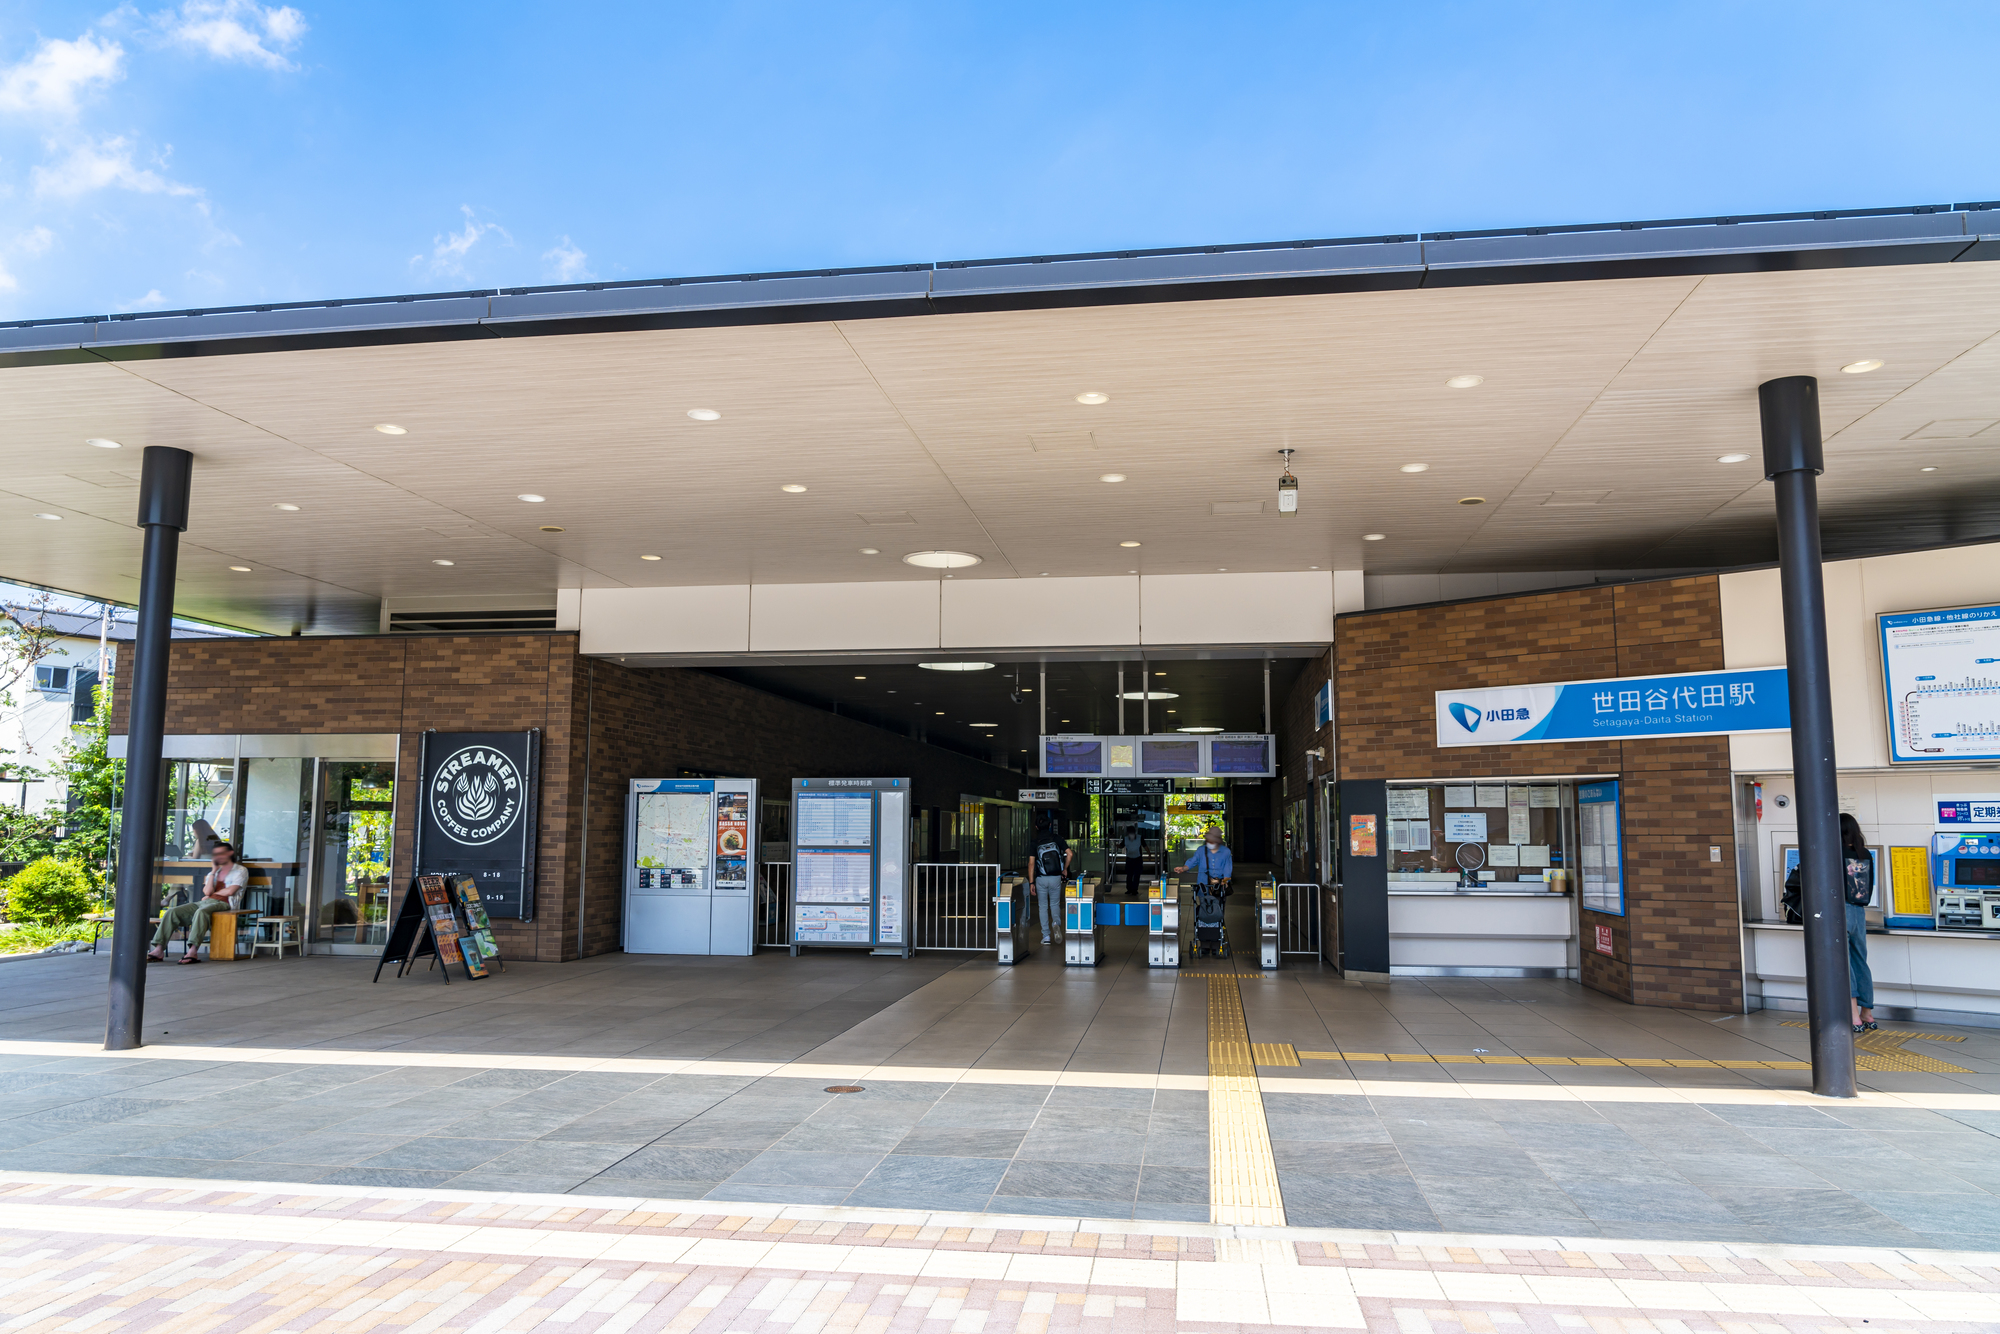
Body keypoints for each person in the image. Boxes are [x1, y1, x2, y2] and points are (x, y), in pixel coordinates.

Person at [149, 840, 248, 964]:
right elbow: (207, 891)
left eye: (221, 853)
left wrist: (212, 895)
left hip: (225, 904)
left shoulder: (240, 870)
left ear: (230, 853)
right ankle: (158, 950)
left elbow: (230, 891)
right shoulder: (214, 872)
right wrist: (213, 872)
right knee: (172, 912)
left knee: (201, 912)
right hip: (206, 902)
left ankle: (193, 951)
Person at [1841, 813, 1877, 1033]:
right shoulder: (1864, 854)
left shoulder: (1834, 852)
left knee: (1844, 963)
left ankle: (1853, 1015)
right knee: (1860, 961)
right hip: (1859, 911)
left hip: (1840, 911)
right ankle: (1867, 1012)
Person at [1030, 814, 1073, 947]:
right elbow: (1070, 854)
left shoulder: (1035, 842)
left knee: (1043, 906)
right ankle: (1056, 923)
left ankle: (1046, 936)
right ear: (1049, 825)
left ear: (1036, 827)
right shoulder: (1057, 839)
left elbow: (1031, 864)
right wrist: (1064, 869)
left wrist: (1031, 882)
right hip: (1055, 877)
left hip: (1041, 878)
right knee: (1055, 904)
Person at [1121, 824, 1143, 897]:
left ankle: (1131, 889)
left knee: (1130, 875)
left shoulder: (1126, 838)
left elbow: (1121, 846)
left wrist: (1117, 845)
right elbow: (1145, 846)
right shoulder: (1139, 838)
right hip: (1136, 858)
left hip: (1131, 858)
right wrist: (1149, 854)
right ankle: (1133, 889)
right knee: (1134, 875)